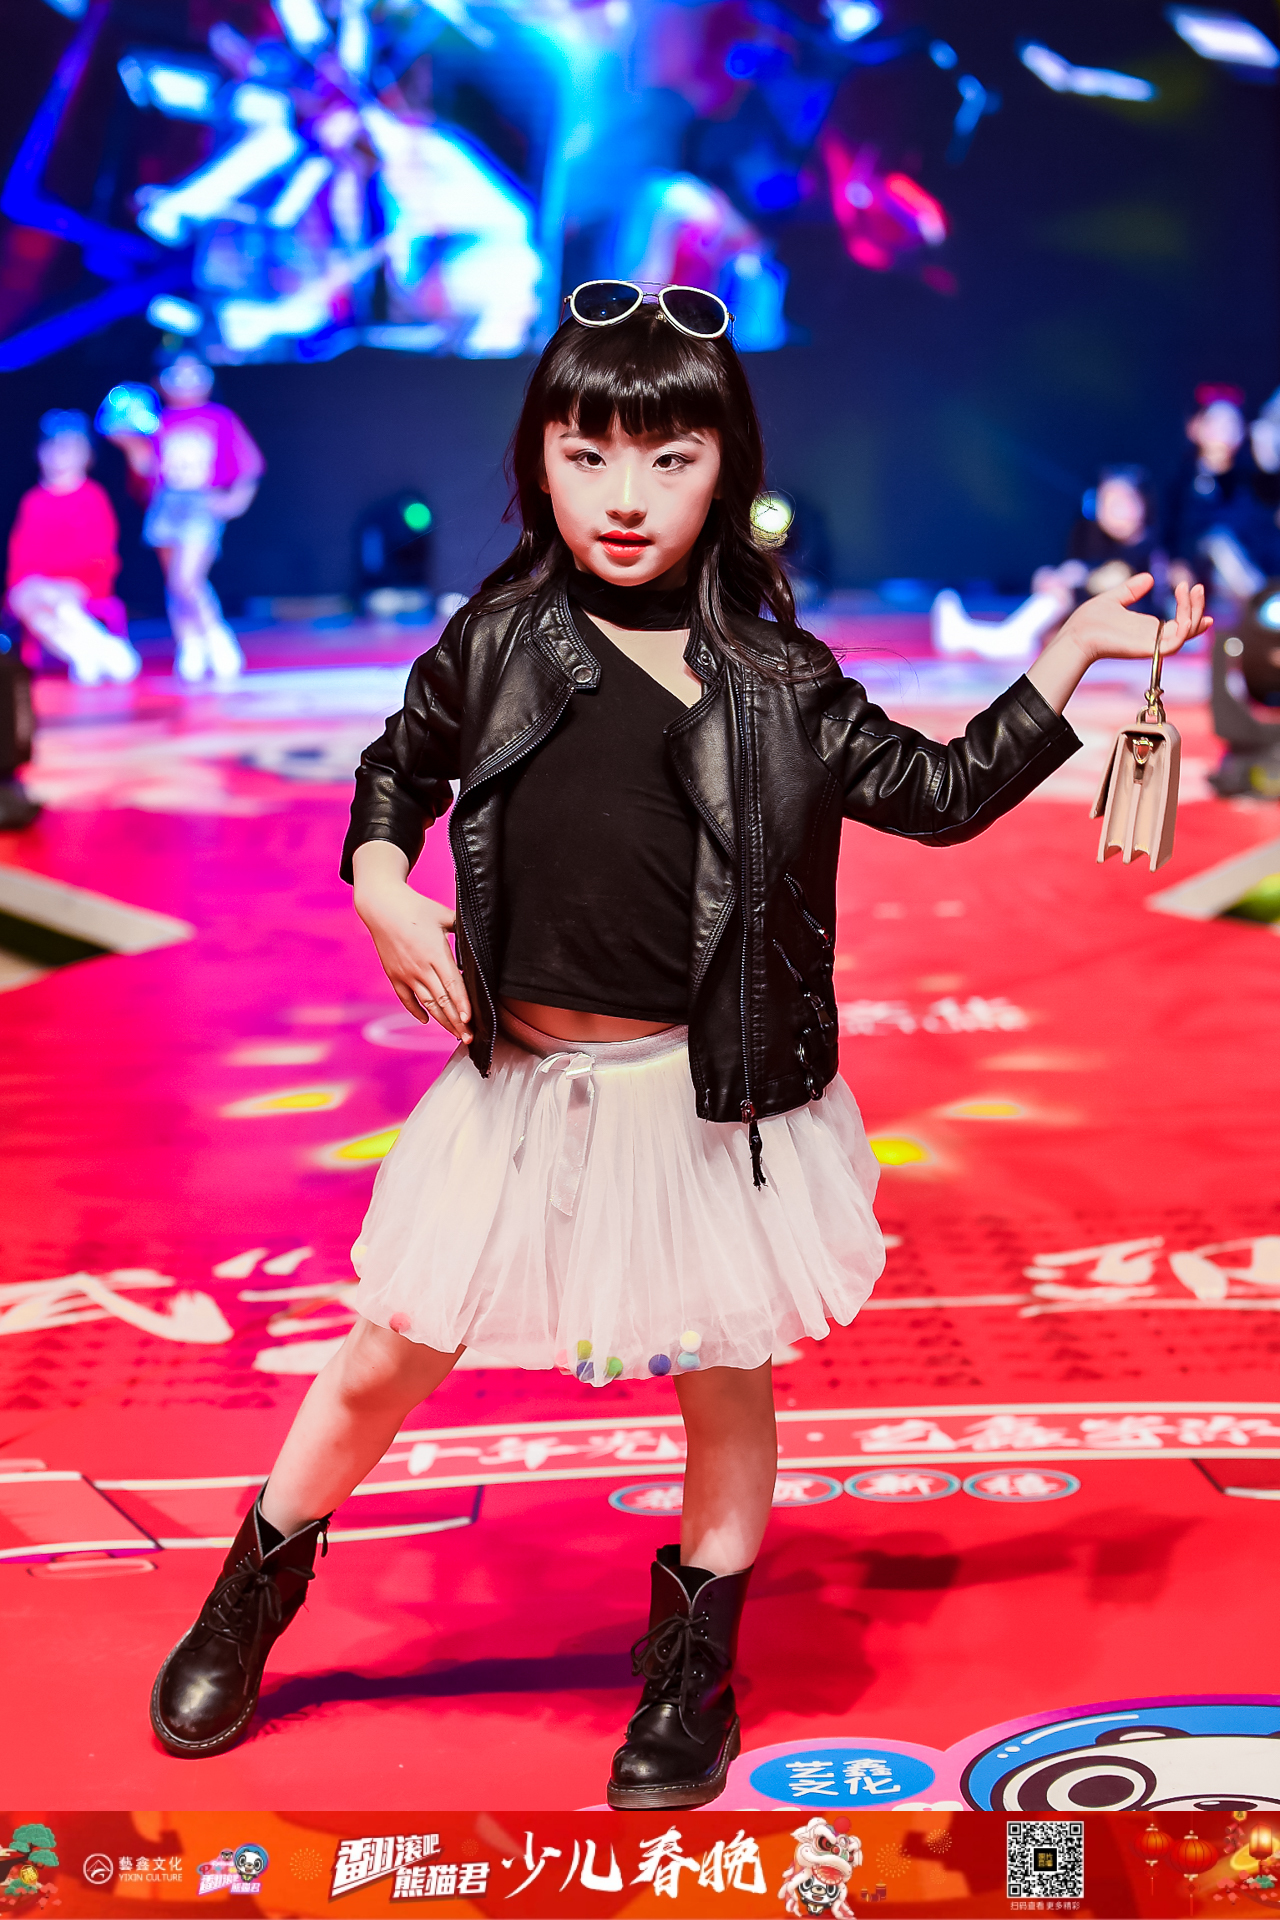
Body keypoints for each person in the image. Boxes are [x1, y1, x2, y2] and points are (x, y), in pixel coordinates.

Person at [148, 283, 1209, 1803]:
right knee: (386, 1354)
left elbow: (942, 793)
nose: (625, 496)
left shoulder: (783, 681)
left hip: (707, 1101)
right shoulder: (494, 638)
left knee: (723, 1377)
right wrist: (381, 881)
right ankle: (247, 1601)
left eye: (668, 457)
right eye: (586, 455)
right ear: (539, 461)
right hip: (520, 1091)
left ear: (727, 467)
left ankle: (690, 1671)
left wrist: (1071, 656)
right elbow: (399, 768)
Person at [107, 354, 263, 683]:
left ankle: (216, 636)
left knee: (186, 579)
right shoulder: (157, 421)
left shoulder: (219, 418)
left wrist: (236, 500)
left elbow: (249, 463)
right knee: (175, 583)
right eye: (176, 374)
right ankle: (190, 644)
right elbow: (149, 470)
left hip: (200, 504)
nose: (185, 381)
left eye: (194, 373)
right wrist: (130, 446)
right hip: (166, 504)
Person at [6, 410, 140, 687]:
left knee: (51, 601)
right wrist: (36, 582)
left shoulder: (93, 497)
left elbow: (103, 555)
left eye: (70, 448)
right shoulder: (33, 502)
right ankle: (84, 653)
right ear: (39, 453)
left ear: (87, 455)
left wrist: (70, 582)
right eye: (53, 447)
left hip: (83, 584)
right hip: (37, 587)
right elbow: (19, 556)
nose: (60, 456)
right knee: (24, 599)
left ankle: (98, 650)